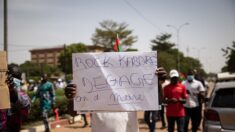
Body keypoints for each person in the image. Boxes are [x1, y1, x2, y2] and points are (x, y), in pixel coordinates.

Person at [65, 67, 167, 132]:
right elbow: (73, 113)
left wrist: (157, 83)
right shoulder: (93, 88)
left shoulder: (132, 88)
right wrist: (72, 98)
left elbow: (157, 102)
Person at [0, 64, 31, 132]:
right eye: (10, 75)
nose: (14, 80)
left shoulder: (23, 96)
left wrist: (12, 91)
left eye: (17, 77)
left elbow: (25, 109)